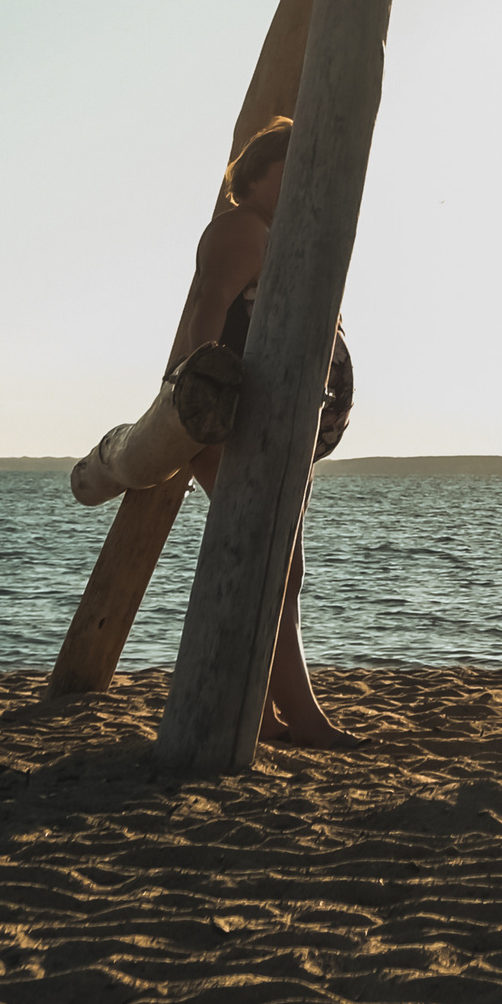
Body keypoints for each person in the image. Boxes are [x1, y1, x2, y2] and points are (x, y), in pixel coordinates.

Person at [167, 119, 355, 750]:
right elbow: (207, 314)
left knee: (278, 565)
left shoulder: (278, 230)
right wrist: (209, 412)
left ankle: (272, 712)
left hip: (277, 427)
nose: (302, 174)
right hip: (240, 423)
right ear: (256, 170)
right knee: (274, 563)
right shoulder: (241, 226)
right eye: (289, 164)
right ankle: (296, 716)